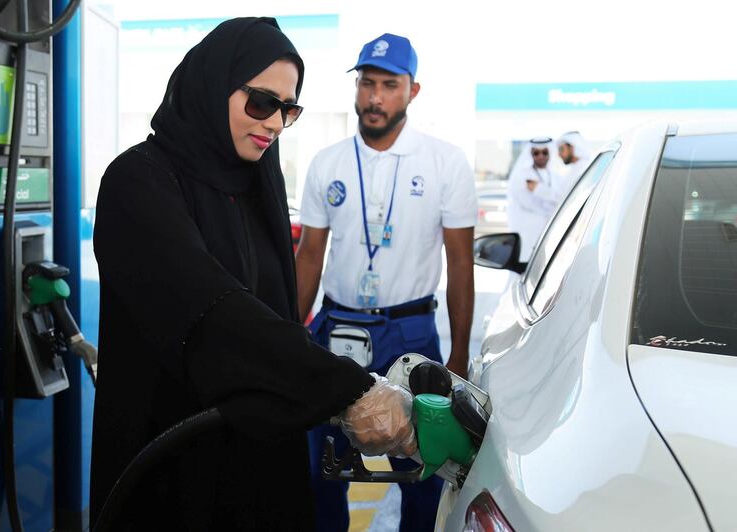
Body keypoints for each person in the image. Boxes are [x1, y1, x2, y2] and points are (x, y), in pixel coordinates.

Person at [89, 18, 417, 531]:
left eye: (289, 110)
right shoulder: (139, 182)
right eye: (262, 103)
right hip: (170, 467)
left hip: (256, 464)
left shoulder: (256, 186)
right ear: (215, 84)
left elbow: (277, 316)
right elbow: (215, 312)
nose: (275, 124)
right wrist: (348, 389)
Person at [295, 32, 478, 532]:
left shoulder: (445, 162)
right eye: (367, 84)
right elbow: (310, 255)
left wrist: (458, 355)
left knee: (424, 466)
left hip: (411, 334)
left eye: (389, 85)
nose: (375, 97)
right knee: (320, 466)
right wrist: (290, 335)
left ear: (412, 91)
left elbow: (460, 262)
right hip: (336, 330)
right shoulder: (327, 162)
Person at [506, 136, 560, 262]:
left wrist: (539, 189)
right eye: (536, 153)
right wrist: (552, 204)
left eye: (544, 152)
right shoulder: (521, 175)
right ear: (531, 154)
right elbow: (528, 203)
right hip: (528, 235)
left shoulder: (557, 177)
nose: (540, 156)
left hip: (550, 234)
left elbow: (562, 198)